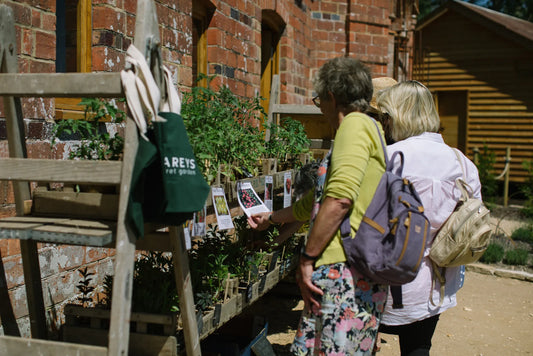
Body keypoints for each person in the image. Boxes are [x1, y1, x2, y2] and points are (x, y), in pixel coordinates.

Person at [248, 57, 388, 355]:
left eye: (319, 99)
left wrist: (307, 257)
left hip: (343, 271)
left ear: (332, 97)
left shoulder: (353, 126)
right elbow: (317, 201)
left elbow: (338, 200)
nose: (319, 107)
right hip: (356, 269)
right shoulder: (370, 128)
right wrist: (272, 218)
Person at [375, 80, 482, 355]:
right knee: (419, 348)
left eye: (384, 116)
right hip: (439, 282)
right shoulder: (462, 163)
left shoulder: (389, 158)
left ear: (396, 115)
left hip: (386, 282)